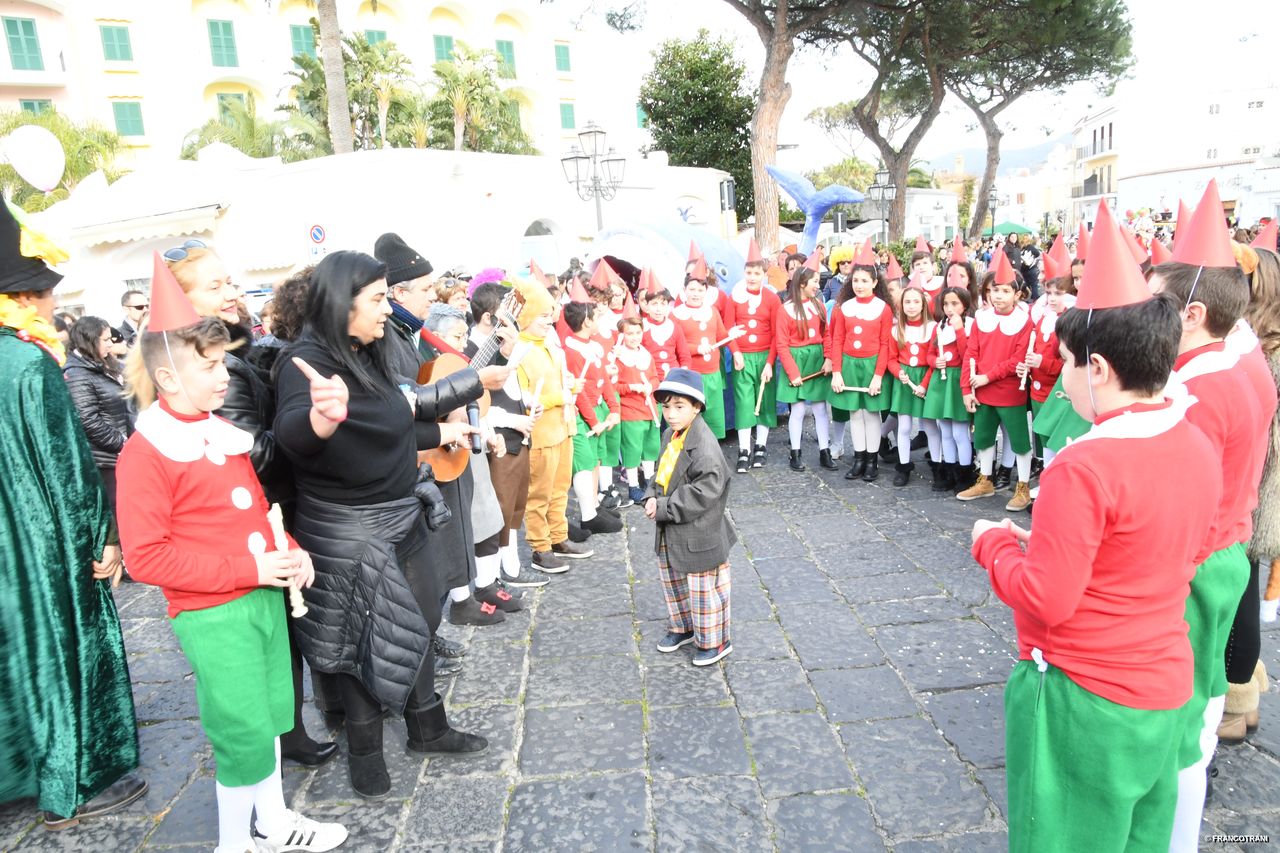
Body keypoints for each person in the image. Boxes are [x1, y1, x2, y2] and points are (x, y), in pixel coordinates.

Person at [970, 206, 1220, 852]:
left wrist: (993, 544)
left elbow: (1047, 597)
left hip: (1085, 696)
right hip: (1165, 681)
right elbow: (1180, 545)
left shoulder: (1083, 465)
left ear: (1100, 369)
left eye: (1065, 364)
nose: (1062, 379)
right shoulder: (1194, 438)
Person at [117, 255, 347, 853]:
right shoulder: (148, 452)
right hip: (213, 613)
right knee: (240, 730)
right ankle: (233, 842)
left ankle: (273, 824)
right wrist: (250, 568)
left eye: (223, 361)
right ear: (168, 379)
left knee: (269, 716)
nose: (225, 375)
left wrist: (290, 550)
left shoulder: (220, 431)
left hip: (262, 596)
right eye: (210, 365)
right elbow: (146, 559)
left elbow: (258, 513)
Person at [274, 251, 488, 801]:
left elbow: (392, 424)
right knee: (359, 640)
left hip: (400, 515)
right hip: (347, 530)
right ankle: (364, 751)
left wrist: (442, 433)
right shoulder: (305, 363)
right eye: (376, 299)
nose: (387, 308)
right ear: (341, 304)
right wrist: (319, 420)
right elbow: (292, 435)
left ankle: (428, 727)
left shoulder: (365, 352)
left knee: (419, 621)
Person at [0, 201, 147, 830]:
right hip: (41, 542)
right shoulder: (29, 362)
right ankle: (74, 782)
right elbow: (67, 468)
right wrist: (102, 537)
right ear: (27, 298)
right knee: (65, 645)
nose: (52, 304)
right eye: (47, 294)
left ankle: (18, 775)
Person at [166, 240, 334, 767]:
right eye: (215, 286)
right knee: (271, 630)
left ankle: (287, 730)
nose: (231, 292)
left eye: (230, 281)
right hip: (253, 517)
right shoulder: (212, 366)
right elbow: (251, 453)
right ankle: (280, 738)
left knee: (282, 625)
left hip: (263, 512)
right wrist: (309, 432)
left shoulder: (233, 349)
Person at [1151, 182, 1274, 850]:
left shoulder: (1195, 387)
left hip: (1198, 558)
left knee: (1184, 717)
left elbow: (1173, 497)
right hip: (1229, 543)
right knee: (1200, 701)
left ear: (1193, 313)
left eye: (1158, 304)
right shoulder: (1240, 349)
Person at [644, 368, 735, 666]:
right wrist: (650, 494)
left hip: (699, 532)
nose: (670, 414)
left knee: (704, 590)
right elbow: (660, 471)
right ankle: (683, 626)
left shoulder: (705, 447)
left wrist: (663, 507)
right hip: (672, 529)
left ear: (697, 407)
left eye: (679, 406)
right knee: (674, 582)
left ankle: (715, 641)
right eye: (666, 406)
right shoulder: (670, 434)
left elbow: (703, 492)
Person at [466, 282, 545, 588]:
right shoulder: (469, 351)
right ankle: (497, 574)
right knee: (499, 508)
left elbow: (509, 386)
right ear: (489, 318)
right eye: (506, 315)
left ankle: (511, 565)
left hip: (517, 434)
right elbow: (474, 403)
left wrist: (528, 401)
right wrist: (514, 420)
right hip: (497, 439)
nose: (513, 323)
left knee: (515, 507)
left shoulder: (502, 345)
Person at [516, 276, 593, 573]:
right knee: (539, 493)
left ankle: (559, 537)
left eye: (550, 315)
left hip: (563, 428)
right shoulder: (519, 350)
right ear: (526, 316)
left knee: (561, 489)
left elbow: (558, 381)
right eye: (542, 316)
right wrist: (558, 397)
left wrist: (570, 386)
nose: (549, 321)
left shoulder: (550, 344)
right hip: (541, 433)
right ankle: (540, 547)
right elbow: (522, 396)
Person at [1233, 244, 1280, 736]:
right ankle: (1244, 699)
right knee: (1242, 584)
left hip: (1260, 476)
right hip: (1259, 473)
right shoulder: (1258, 342)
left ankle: (1235, 702)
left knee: (1240, 588)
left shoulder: (1265, 348)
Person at [957, 250, 1034, 511]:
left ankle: (1023, 486)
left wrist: (987, 377)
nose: (998, 296)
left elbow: (1017, 359)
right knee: (984, 437)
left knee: (1020, 440)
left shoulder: (1024, 321)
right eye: (995, 290)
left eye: (1005, 291)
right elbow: (971, 353)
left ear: (1017, 294)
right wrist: (967, 388)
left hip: (1009, 391)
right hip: (981, 389)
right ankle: (985, 480)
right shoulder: (982, 318)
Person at [828, 243, 893, 481]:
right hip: (849, 366)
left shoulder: (883, 309)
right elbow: (837, 340)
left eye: (865, 281)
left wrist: (878, 376)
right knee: (855, 413)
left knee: (871, 414)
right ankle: (859, 459)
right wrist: (837, 372)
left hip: (873, 366)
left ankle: (872, 461)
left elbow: (885, 344)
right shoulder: (844, 308)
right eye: (855, 280)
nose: (859, 285)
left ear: (875, 283)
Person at [63, 315, 132, 519]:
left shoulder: (106, 364)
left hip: (123, 450)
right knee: (120, 510)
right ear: (90, 340)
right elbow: (88, 420)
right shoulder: (77, 374)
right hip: (107, 459)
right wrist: (122, 443)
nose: (111, 343)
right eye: (106, 339)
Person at [671, 259, 740, 440]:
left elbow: (722, 336)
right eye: (692, 289)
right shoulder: (676, 315)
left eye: (700, 290)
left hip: (713, 375)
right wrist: (697, 349)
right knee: (689, 420)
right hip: (690, 376)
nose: (696, 294)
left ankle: (711, 453)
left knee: (713, 418)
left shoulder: (712, 311)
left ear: (706, 291)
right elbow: (675, 346)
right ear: (684, 290)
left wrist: (734, 344)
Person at [729, 239, 781, 472]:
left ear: (764, 274)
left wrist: (770, 363)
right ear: (744, 272)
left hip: (764, 357)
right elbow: (728, 328)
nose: (752, 277)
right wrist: (735, 352)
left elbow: (776, 334)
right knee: (744, 403)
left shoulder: (772, 299)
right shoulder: (735, 296)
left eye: (757, 273)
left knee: (765, 401)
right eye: (749, 272)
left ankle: (760, 446)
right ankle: (744, 450)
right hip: (743, 358)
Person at [886, 286, 940, 487]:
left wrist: (924, 385)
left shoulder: (933, 328)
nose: (911, 306)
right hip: (905, 380)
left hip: (926, 378)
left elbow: (934, 361)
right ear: (901, 305)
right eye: (907, 302)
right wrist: (898, 372)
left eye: (916, 301)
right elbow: (891, 359)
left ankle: (937, 466)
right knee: (904, 426)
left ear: (924, 304)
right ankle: (903, 466)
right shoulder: (896, 329)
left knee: (930, 425)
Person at [923, 286, 974, 492]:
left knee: (960, 432)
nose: (949, 308)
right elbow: (929, 354)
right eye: (946, 304)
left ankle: (965, 473)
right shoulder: (939, 327)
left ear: (965, 305)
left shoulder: (970, 326)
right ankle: (949, 471)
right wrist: (935, 362)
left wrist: (959, 329)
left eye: (955, 304)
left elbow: (966, 354)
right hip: (941, 381)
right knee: (945, 430)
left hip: (958, 380)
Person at [374, 232, 437, 382]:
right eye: (425, 289)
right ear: (400, 293)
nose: (434, 296)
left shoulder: (415, 330)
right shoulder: (383, 337)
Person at [615, 315, 662, 503]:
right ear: (622, 335)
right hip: (630, 411)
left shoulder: (646, 354)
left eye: (637, 332)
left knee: (651, 447)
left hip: (650, 409)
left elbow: (655, 377)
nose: (634, 337)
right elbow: (614, 386)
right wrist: (631, 387)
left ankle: (649, 481)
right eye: (629, 333)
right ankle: (633, 485)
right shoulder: (618, 358)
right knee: (632, 449)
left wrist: (651, 386)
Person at [640, 282, 690, 377]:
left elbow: (685, 356)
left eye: (663, 304)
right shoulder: (641, 328)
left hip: (674, 377)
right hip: (651, 378)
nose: (658, 309)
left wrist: (683, 372)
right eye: (654, 304)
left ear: (668, 306)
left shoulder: (675, 327)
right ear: (647, 305)